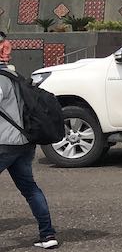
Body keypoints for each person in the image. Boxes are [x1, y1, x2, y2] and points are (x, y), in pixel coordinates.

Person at [0, 71, 60, 248]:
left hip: (4, 144)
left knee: (30, 189)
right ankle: (48, 235)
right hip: (25, 143)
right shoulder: (14, 75)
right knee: (30, 189)